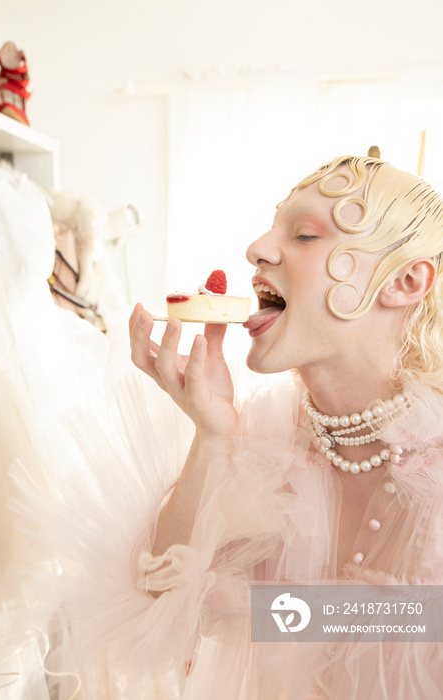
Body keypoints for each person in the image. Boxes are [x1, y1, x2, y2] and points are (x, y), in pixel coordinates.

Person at [127, 155, 443, 699]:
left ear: (406, 281)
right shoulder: (268, 440)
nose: (256, 249)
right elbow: (157, 604)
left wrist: (292, 614)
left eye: (302, 234)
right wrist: (213, 437)